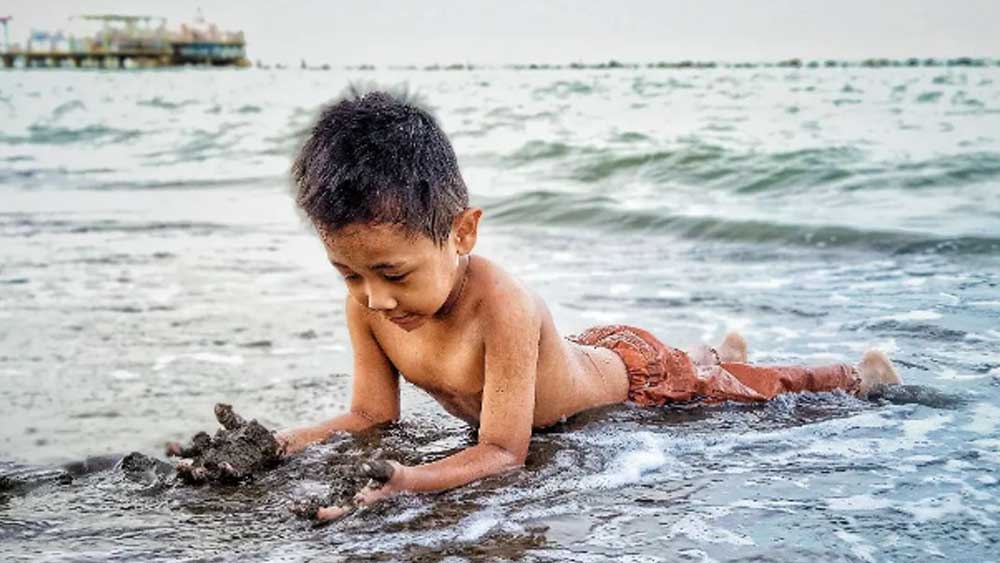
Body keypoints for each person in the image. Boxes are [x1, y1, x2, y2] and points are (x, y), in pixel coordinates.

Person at [278, 89, 902, 520]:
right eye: (348, 274)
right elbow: (368, 415)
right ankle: (718, 354)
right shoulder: (368, 307)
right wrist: (275, 443)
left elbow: (502, 452)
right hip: (585, 358)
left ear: (462, 233)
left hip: (639, 377)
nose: (375, 297)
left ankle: (855, 372)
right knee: (713, 373)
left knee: (757, 391)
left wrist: (410, 480)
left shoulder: (501, 306)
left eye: (392, 272)